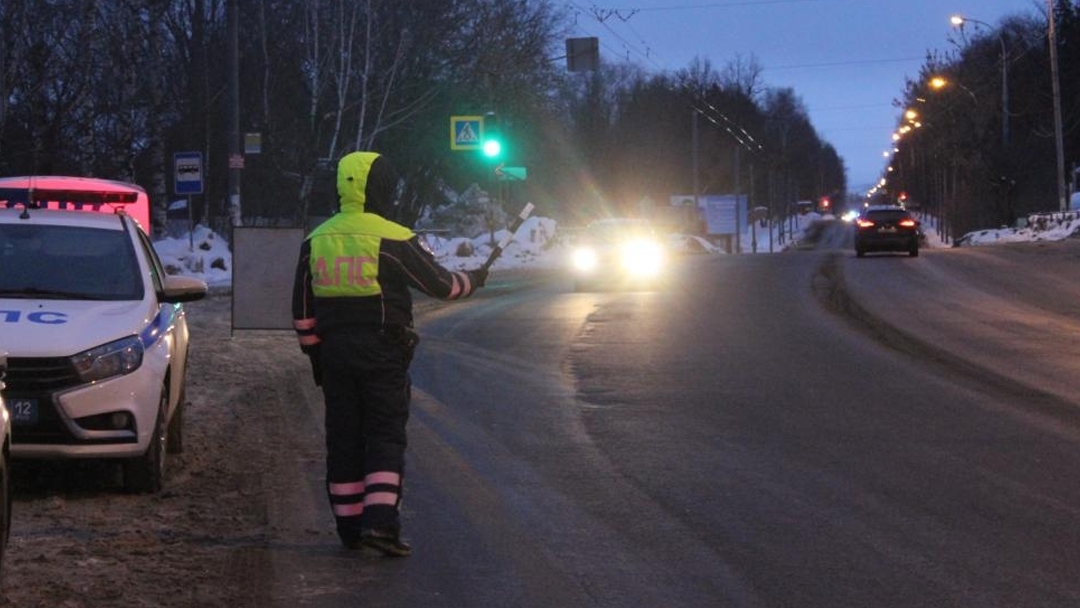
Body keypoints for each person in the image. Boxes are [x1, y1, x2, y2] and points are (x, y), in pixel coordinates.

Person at [291, 151, 488, 557]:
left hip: (334, 356)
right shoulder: (393, 237)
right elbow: (441, 285)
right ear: (379, 188)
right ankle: (380, 523)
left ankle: (348, 526)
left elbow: (303, 309)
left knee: (344, 437)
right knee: (383, 433)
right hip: (383, 350)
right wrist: (474, 279)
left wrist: (315, 356)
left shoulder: (317, 239)